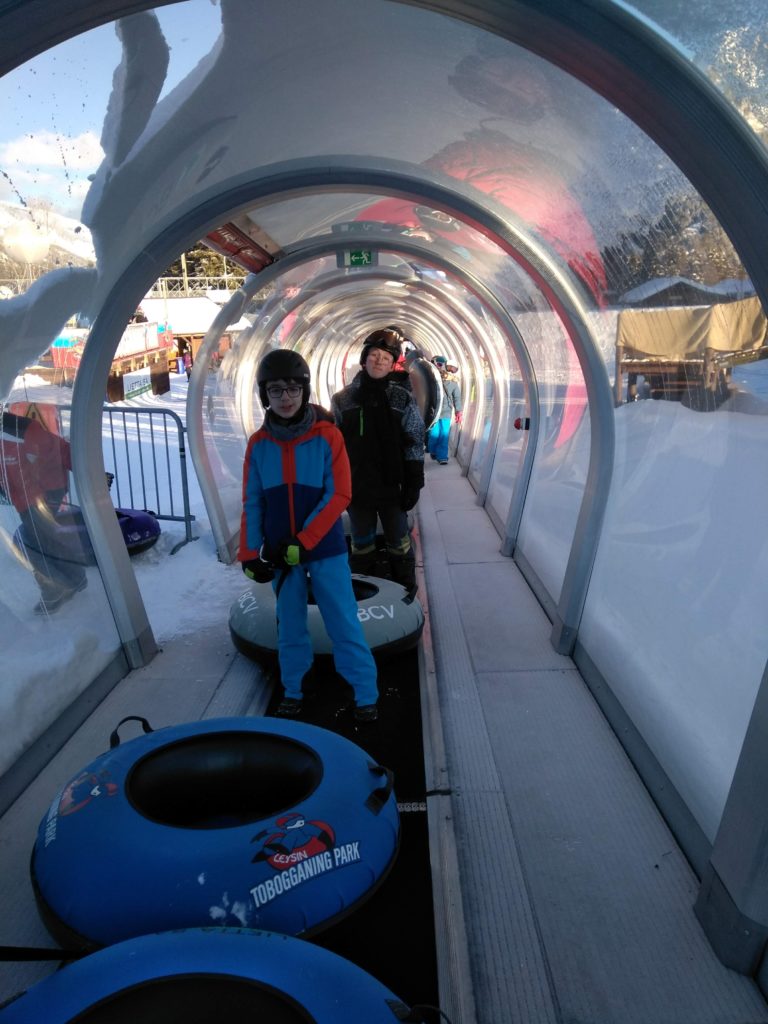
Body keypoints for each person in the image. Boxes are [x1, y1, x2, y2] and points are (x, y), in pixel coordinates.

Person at [238, 349, 379, 722]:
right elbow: (253, 501)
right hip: (281, 555)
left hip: (323, 548)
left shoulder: (327, 436)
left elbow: (340, 494)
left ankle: (364, 693)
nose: (285, 398)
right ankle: (294, 689)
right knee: (290, 624)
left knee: (342, 620)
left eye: (292, 389)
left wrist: (304, 541)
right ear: (264, 395)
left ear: (304, 391)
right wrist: (249, 553)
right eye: (275, 390)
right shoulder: (259, 444)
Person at [330, 328, 425, 591]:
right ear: (364, 359)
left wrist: (414, 481)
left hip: (392, 485)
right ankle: (362, 588)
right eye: (374, 355)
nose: (379, 361)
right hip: (357, 486)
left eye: (386, 357)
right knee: (361, 542)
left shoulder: (402, 398)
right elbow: (333, 444)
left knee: (399, 540)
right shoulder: (342, 400)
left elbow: (414, 438)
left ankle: (405, 587)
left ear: (393, 363)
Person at [0, 411, 87, 613]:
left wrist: (92, 474)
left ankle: (53, 588)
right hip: (27, 498)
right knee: (45, 539)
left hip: (42, 496)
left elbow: (61, 449)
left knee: (26, 544)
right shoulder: (13, 432)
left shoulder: (20, 431)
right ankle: (75, 577)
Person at [428, 355, 463, 465]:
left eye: (453, 369)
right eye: (450, 368)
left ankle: (440, 455)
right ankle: (435, 451)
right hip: (437, 411)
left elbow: (457, 397)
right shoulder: (435, 379)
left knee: (442, 434)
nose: (451, 371)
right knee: (436, 433)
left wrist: (458, 411)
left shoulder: (452, 382)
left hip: (444, 411)